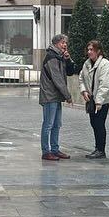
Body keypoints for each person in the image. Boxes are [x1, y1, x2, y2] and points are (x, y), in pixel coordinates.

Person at [79, 39, 109, 159]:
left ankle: (101, 150)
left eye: (92, 50)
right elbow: (81, 78)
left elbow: (105, 84)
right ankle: (97, 148)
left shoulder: (105, 64)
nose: (89, 52)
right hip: (92, 99)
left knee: (99, 123)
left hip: (103, 100)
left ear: (98, 51)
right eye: (88, 49)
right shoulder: (87, 64)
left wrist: (99, 101)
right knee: (93, 123)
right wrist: (84, 90)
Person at [39, 33, 73, 162]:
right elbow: (57, 79)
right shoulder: (52, 57)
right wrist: (68, 96)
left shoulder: (60, 57)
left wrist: (68, 59)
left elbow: (70, 72)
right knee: (48, 124)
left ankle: (54, 149)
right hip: (49, 96)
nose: (64, 45)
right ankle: (46, 151)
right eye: (62, 42)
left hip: (56, 96)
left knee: (56, 124)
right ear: (55, 44)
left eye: (65, 43)